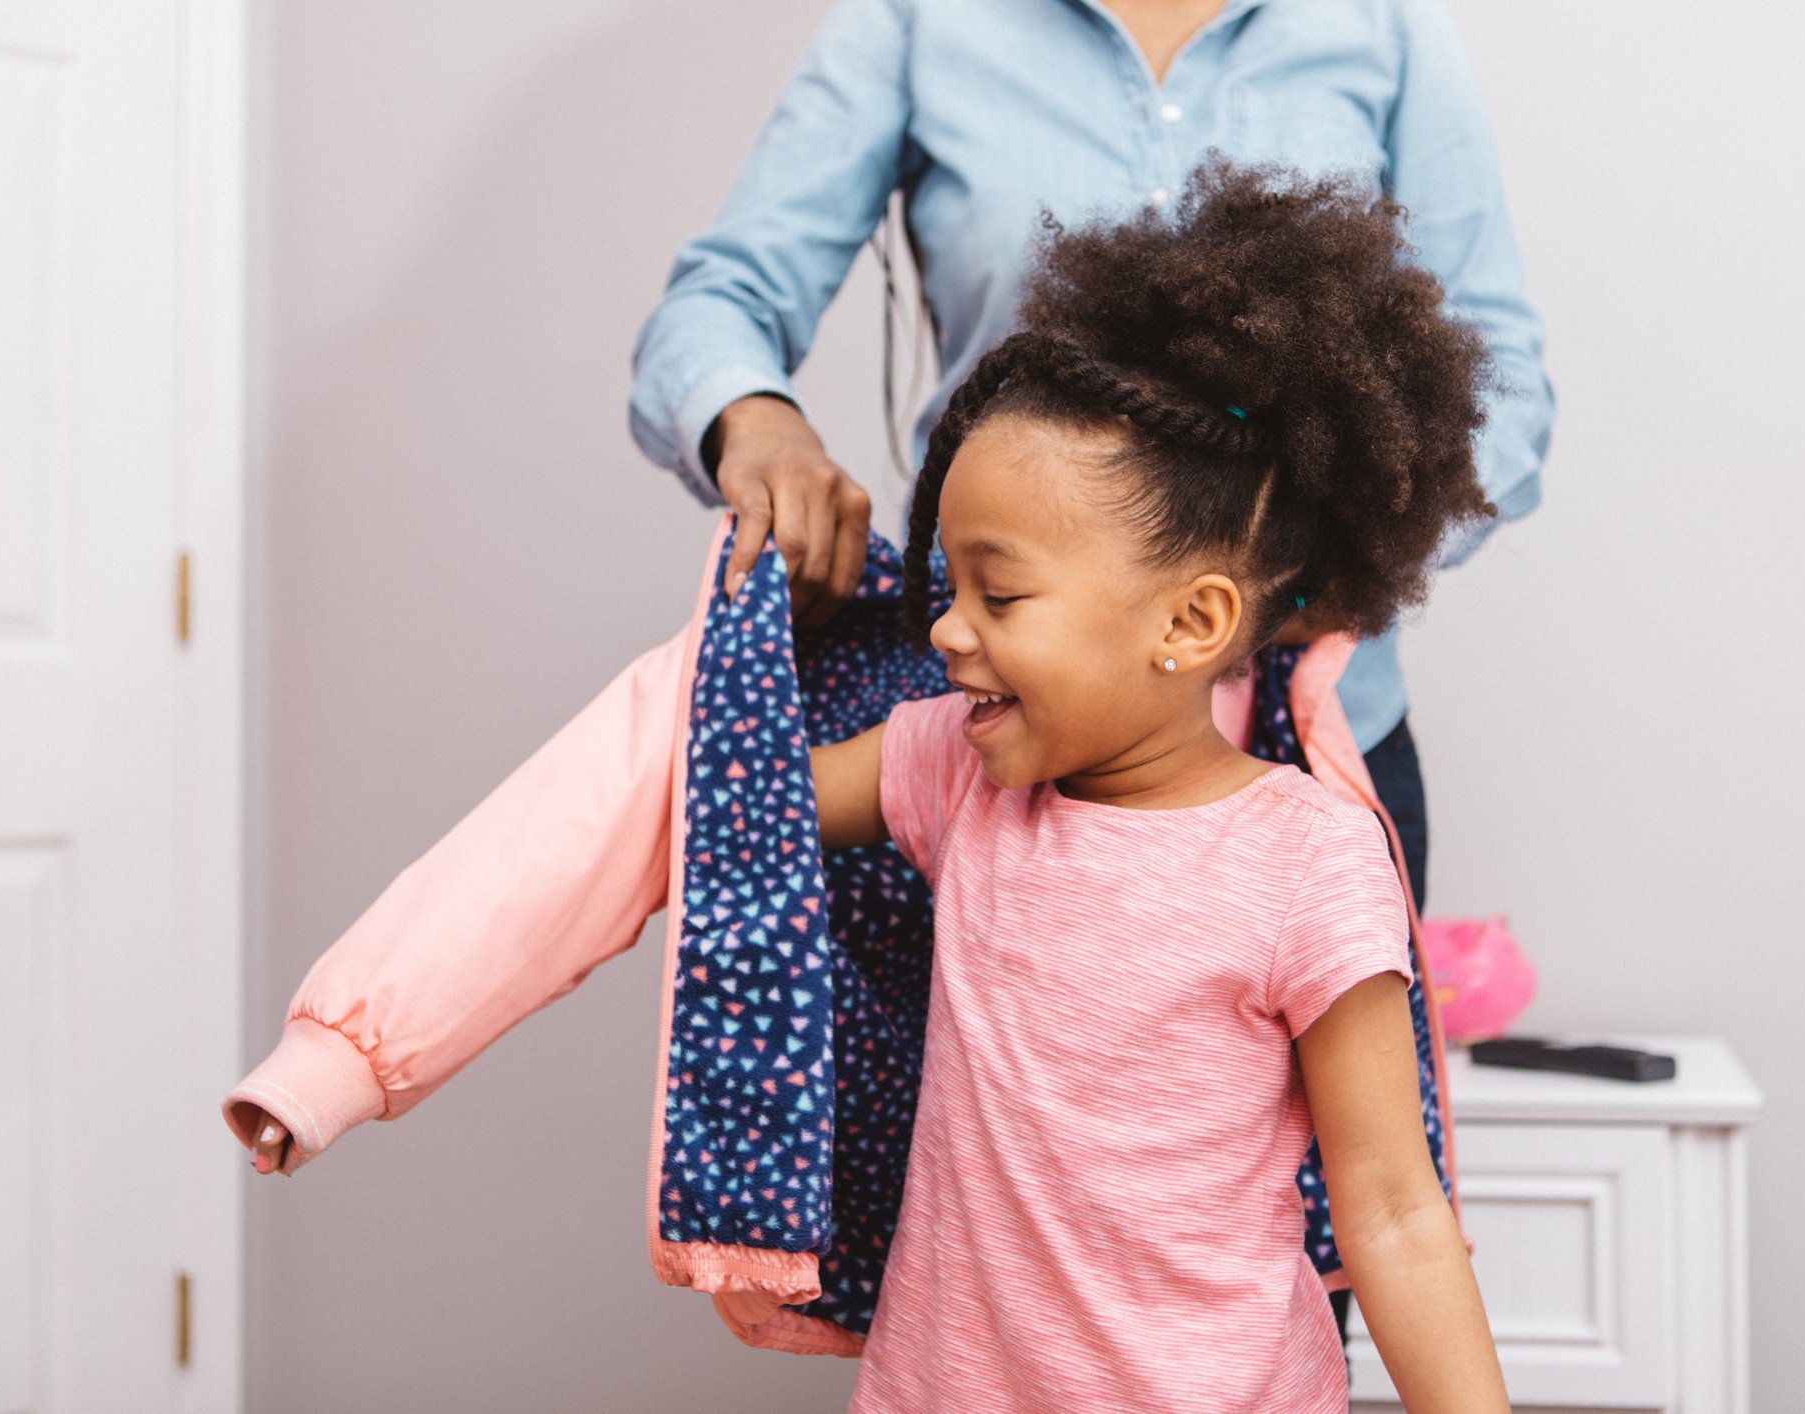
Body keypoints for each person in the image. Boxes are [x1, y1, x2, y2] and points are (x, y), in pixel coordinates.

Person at [732, 159, 1503, 1410]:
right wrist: (747, 616)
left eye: (1000, 592)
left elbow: (1396, 1212)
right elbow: (725, 807)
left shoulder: (1309, 860)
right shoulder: (948, 770)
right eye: (950, 585)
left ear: (1190, 622)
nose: (947, 629)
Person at [627, 0, 1555, 985]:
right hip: (1009, 754)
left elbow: (1503, 385)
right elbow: (720, 299)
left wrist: (1306, 571)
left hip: (1318, 738)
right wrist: (758, 419)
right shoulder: (917, 21)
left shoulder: (1385, 24)